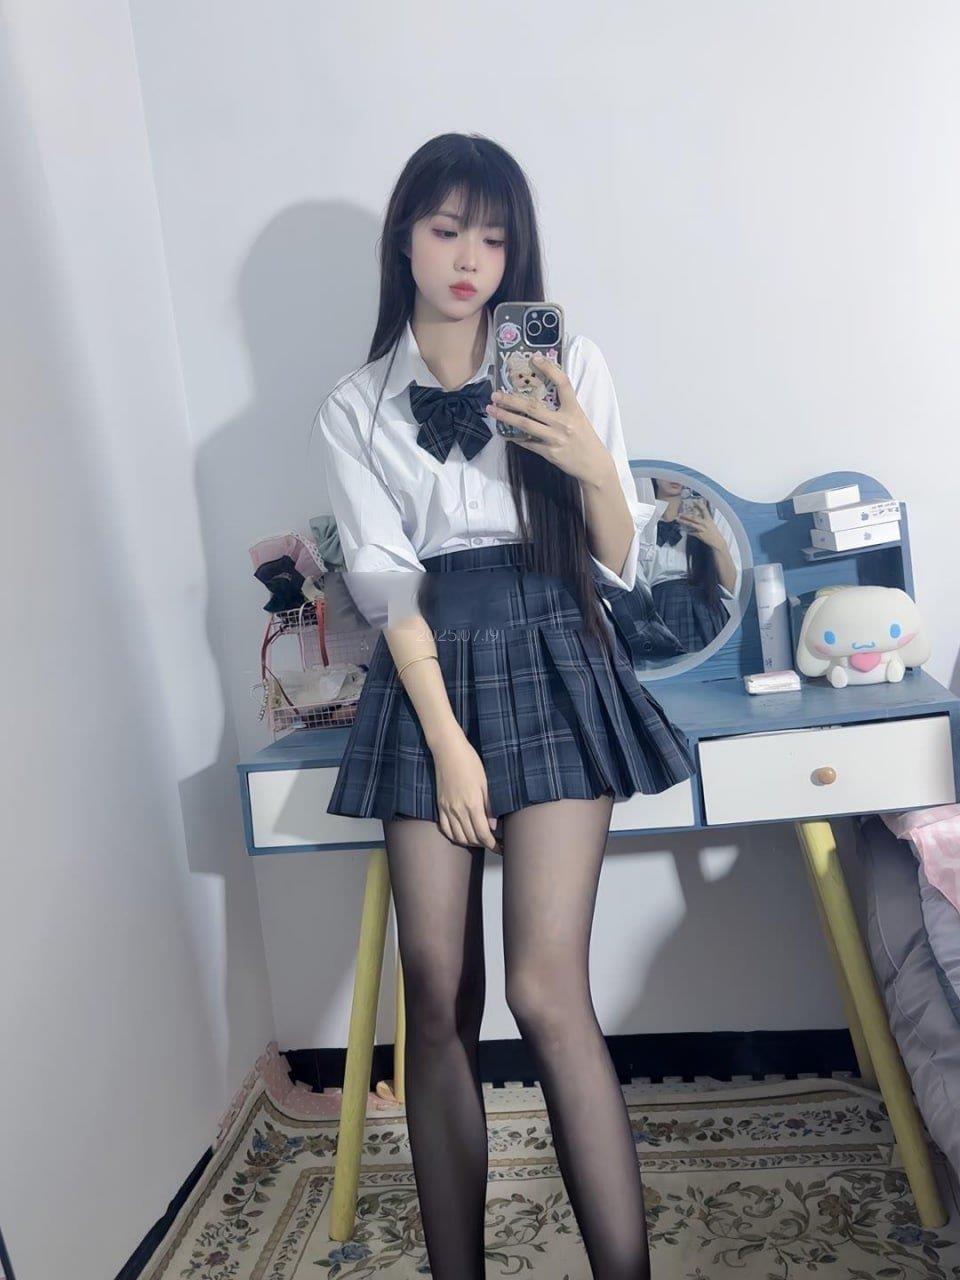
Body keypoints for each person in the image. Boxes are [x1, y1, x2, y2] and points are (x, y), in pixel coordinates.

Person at [313, 131, 697, 1280]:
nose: (470, 257)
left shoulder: (564, 361)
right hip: (429, 666)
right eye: (447, 230)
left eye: (492, 235)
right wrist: (449, 747)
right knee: (435, 993)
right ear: (406, 239)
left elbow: (622, 558)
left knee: (543, 987)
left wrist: (585, 454)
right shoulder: (356, 405)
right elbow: (387, 587)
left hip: (555, 645)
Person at [641, 477, 740, 653]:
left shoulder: (710, 513)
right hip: (658, 610)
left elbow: (731, 587)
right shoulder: (641, 519)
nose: (674, 478)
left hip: (705, 607)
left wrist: (717, 542)